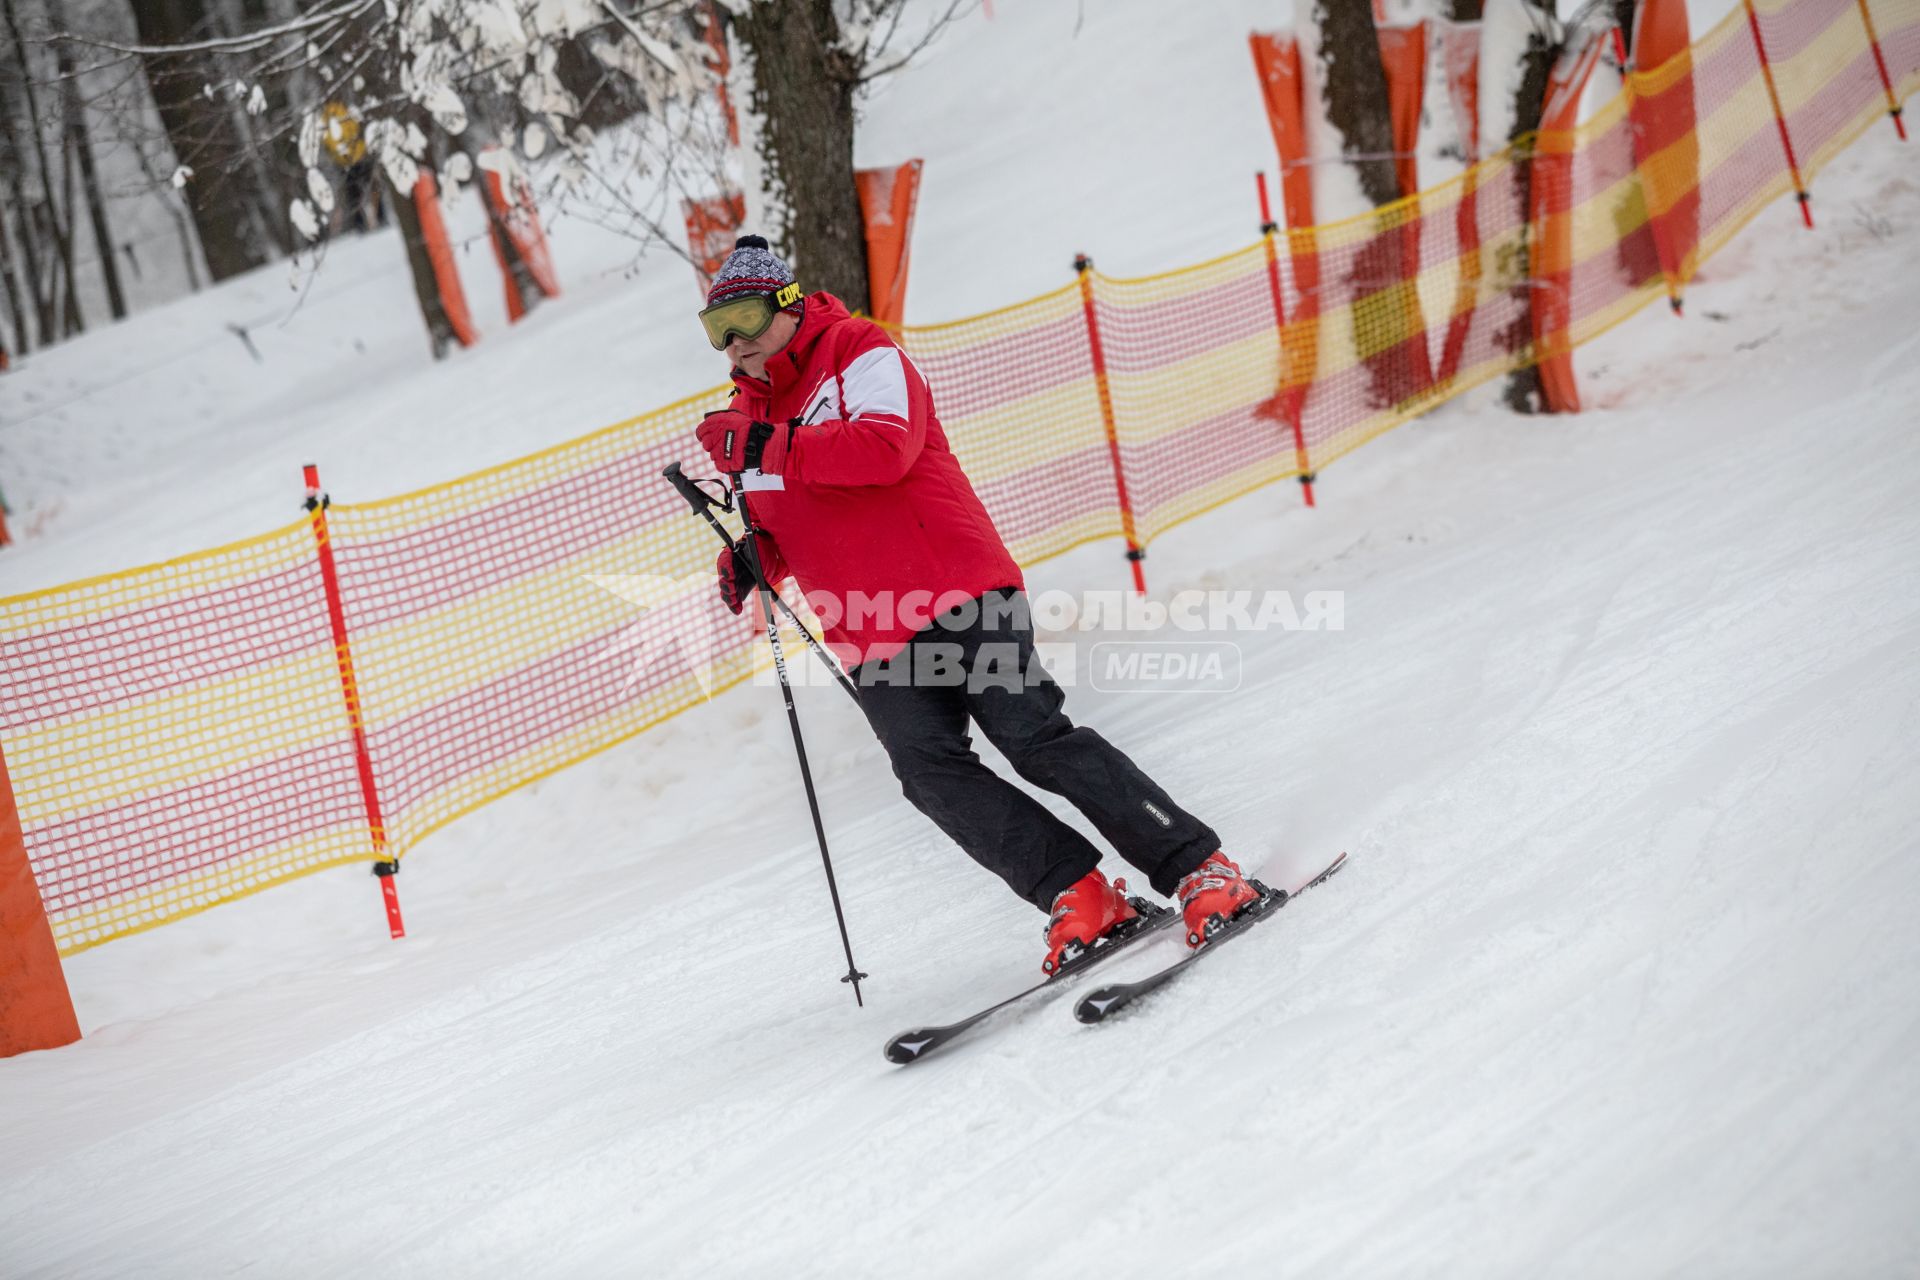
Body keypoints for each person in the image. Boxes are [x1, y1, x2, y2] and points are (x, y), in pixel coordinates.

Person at [692, 235, 1257, 972]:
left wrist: (767, 445)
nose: (732, 345)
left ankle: (1197, 867)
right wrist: (752, 558)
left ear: (787, 306)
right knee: (928, 773)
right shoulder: (746, 421)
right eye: (715, 331)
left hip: (955, 587)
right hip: (866, 628)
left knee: (1033, 738)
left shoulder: (858, 351)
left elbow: (885, 450)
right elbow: (784, 523)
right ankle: (1081, 893)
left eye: (742, 319)